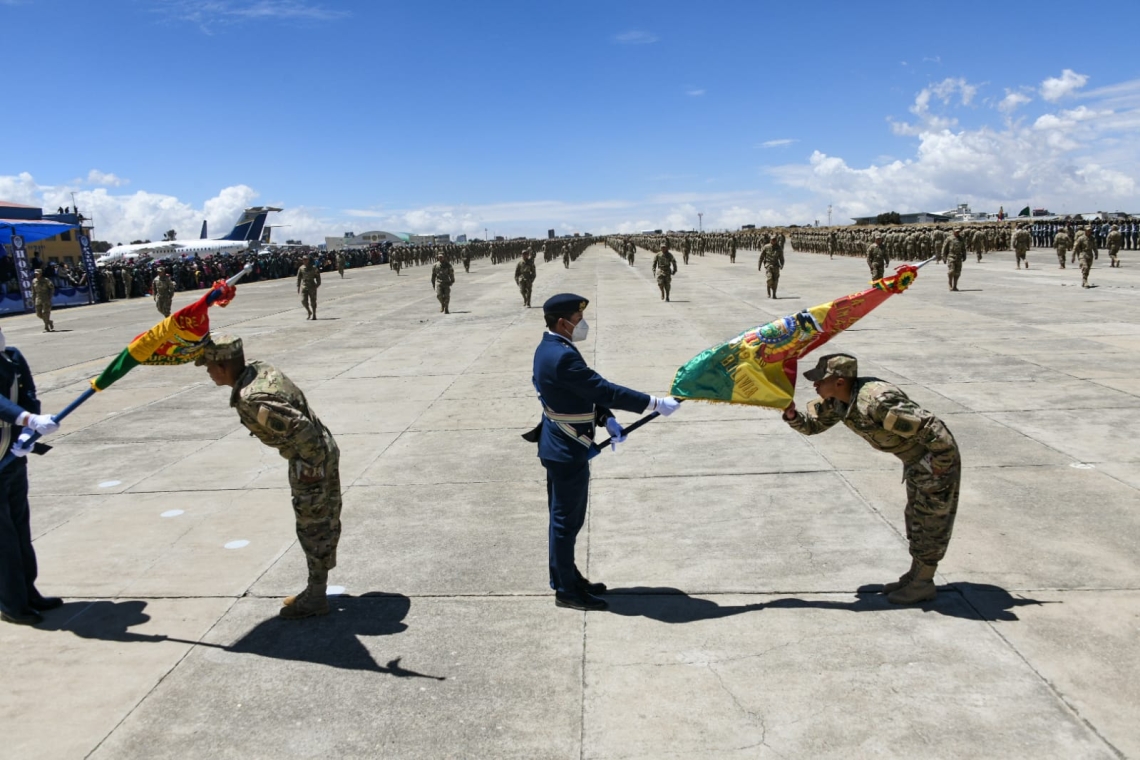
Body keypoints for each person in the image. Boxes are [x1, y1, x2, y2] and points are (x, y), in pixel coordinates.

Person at [529, 294, 681, 611]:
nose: (581, 324)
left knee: (564, 520)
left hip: (558, 444)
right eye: (577, 318)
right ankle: (566, 590)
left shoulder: (551, 348)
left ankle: (567, 576)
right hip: (567, 450)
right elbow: (602, 389)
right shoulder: (561, 356)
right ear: (562, 323)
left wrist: (605, 418)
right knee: (564, 522)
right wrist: (654, 403)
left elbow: (579, 393)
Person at [782, 354, 960, 604]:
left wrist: (938, 467)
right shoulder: (838, 401)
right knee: (916, 518)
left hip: (933, 460)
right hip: (915, 461)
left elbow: (933, 428)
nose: (815, 385)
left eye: (821, 380)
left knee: (930, 520)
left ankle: (922, 583)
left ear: (840, 381)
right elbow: (814, 426)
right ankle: (915, 575)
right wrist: (792, 415)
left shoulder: (877, 401)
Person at [198, 335, 341, 619]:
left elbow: (304, 435)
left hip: (310, 460)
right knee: (323, 522)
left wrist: (309, 475)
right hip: (320, 452)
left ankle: (315, 596)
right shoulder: (258, 370)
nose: (207, 371)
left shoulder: (252, 397)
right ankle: (317, 588)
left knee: (313, 527)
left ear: (223, 366)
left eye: (209, 366)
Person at [0, 327, 63, 625]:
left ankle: (27, 592)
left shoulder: (11, 357)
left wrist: (30, 430)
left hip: (13, 457)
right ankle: (11, 604)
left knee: (20, 530)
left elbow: (28, 394)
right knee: (4, 539)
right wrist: (27, 419)